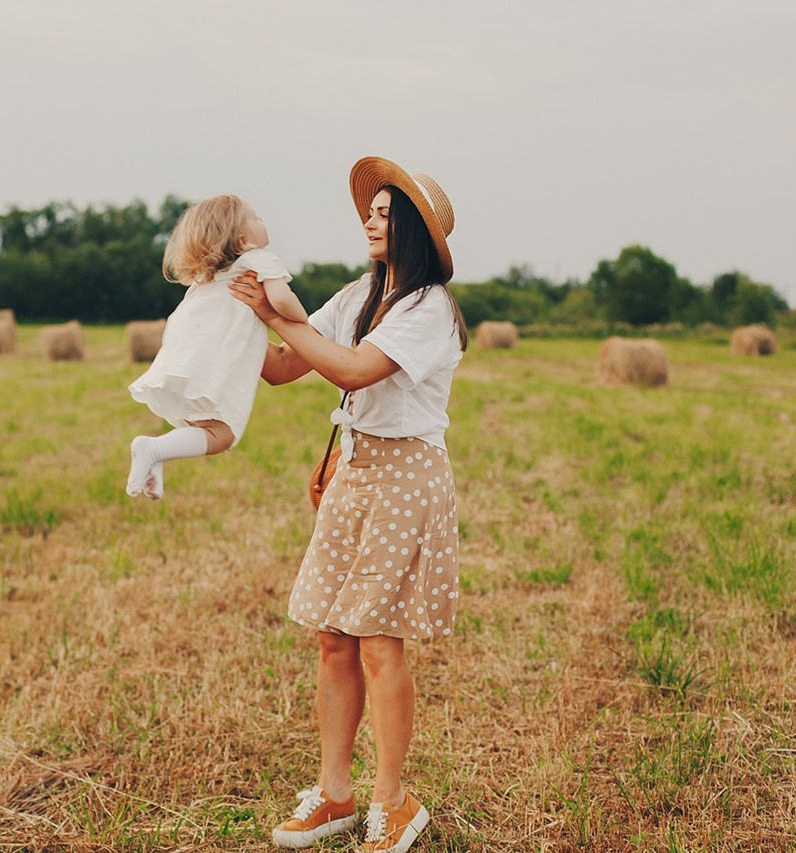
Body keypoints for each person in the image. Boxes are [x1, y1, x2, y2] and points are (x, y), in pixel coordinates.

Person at [229, 157, 467, 853]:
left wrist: (275, 313)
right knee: (333, 638)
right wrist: (227, 313)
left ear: (414, 229)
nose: (370, 219)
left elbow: (356, 369)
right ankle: (334, 793)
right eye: (371, 210)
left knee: (378, 642)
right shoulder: (359, 293)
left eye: (385, 213)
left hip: (405, 479)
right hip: (355, 471)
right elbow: (284, 366)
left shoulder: (428, 308)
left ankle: (393, 801)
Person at [126, 194, 307, 499]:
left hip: (190, 352)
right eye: (256, 217)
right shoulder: (259, 259)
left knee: (198, 425)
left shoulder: (208, 275)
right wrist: (302, 319)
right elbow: (281, 299)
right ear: (243, 239)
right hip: (217, 357)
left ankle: (157, 456)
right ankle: (153, 449)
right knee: (221, 434)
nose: (262, 221)